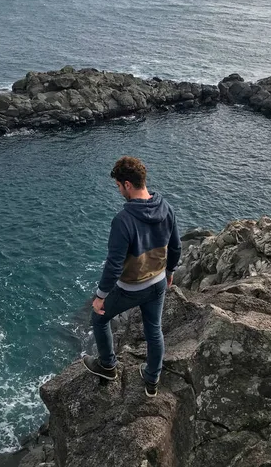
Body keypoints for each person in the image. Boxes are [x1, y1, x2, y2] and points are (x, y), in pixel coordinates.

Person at [83, 156, 181, 397]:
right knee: (154, 330)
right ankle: (152, 381)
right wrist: (170, 272)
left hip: (130, 288)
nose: (118, 191)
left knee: (99, 318)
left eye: (118, 186)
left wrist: (100, 296)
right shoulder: (165, 207)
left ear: (127, 184)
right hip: (157, 282)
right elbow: (176, 246)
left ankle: (107, 366)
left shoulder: (123, 220)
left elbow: (114, 265)